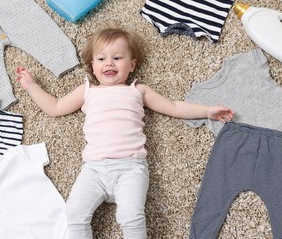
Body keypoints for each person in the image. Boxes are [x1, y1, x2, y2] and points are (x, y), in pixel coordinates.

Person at [15, 24, 234, 239]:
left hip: (131, 168)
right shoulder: (87, 91)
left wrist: (207, 111)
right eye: (101, 59)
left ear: (131, 65)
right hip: (94, 170)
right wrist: (33, 86)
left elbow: (174, 106)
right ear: (92, 66)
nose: (109, 63)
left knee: (131, 217)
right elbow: (55, 107)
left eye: (117, 58)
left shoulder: (138, 90)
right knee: (74, 213)